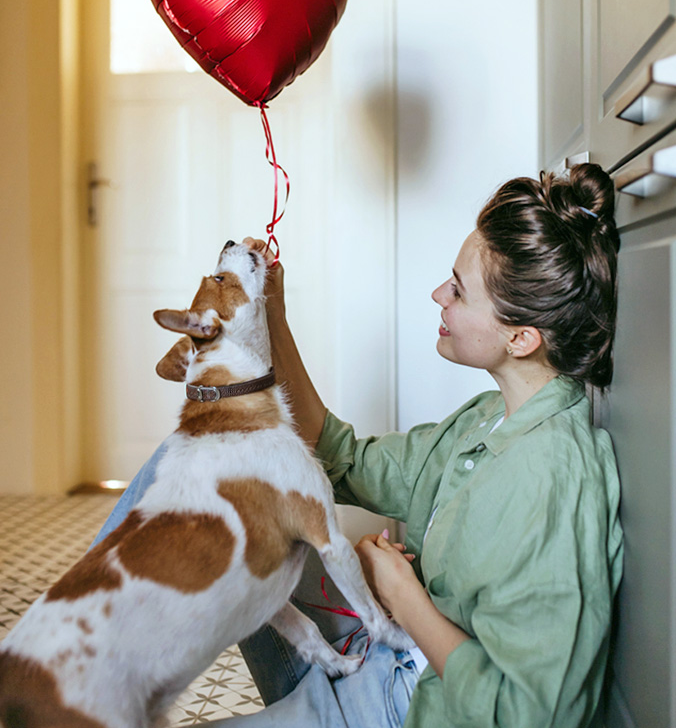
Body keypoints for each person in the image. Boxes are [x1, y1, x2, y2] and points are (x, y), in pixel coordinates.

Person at [93, 162, 623, 728]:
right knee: (195, 458)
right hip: (371, 647)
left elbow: (527, 715)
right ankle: (82, 661)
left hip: (393, 705)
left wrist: (403, 596)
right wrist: (271, 312)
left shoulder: (552, 479)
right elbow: (340, 456)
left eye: (459, 291)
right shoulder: (493, 417)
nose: (438, 294)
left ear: (521, 337)